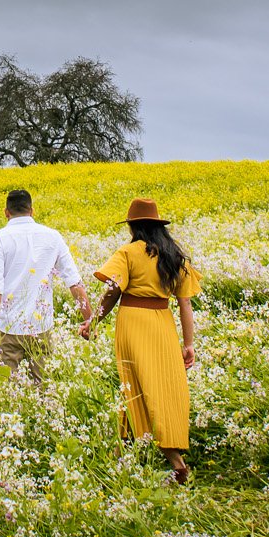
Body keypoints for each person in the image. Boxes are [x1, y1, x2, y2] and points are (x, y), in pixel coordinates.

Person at [79, 197, 200, 485]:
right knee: (160, 389)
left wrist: (93, 321)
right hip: (163, 325)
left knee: (134, 387)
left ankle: (174, 464)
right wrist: (189, 343)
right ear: (158, 227)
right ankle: (126, 455)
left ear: (133, 226)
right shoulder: (173, 256)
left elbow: (112, 292)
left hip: (133, 322)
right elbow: (185, 304)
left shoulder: (128, 252)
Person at [0, 188, 90, 382]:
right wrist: (89, 321)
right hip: (41, 326)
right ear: (32, 210)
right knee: (43, 391)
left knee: (7, 392)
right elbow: (74, 282)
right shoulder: (53, 236)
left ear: (6, 212)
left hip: (8, 328)